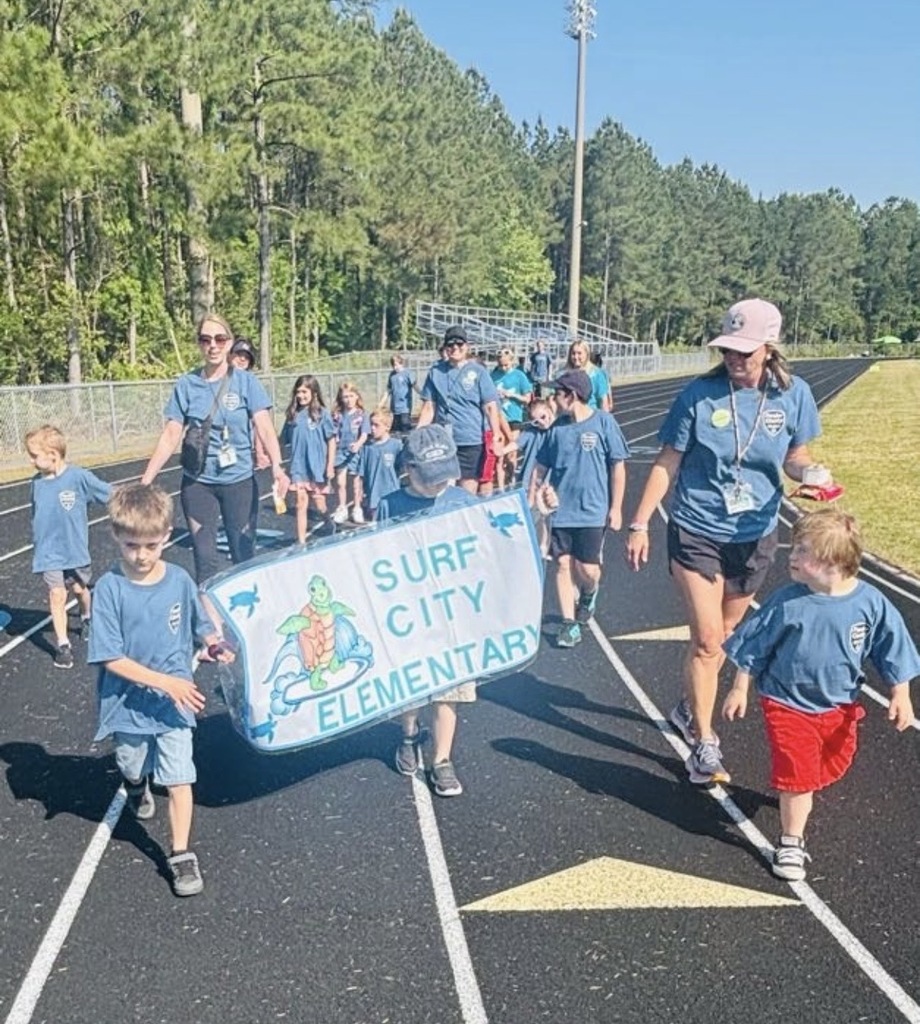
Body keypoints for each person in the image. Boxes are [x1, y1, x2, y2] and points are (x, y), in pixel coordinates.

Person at [625, 297, 824, 786]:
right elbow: (667, 461)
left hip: (755, 533)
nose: (735, 360)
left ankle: (687, 704)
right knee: (708, 639)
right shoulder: (699, 395)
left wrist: (811, 471)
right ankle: (704, 741)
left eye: (745, 352)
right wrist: (640, 521)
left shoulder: (793, 395)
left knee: (726, 640)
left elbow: (795, 456)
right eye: (728, 350)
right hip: (697, 527)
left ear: (769, 348)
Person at [721, 509, 919, 881]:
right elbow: (755, 646)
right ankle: (791, 842)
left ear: (831, 561)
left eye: (802, 551)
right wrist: (739, 687)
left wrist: (900, 694)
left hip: (838, 705)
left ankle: (797, 791)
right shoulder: (788, 601)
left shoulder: (870, 603)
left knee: (833, 763)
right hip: (786, 702)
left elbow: (893, 647)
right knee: (799, 777)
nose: (791, 557)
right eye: (793, 548)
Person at [88, 482, 232, 897]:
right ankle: (136, 783)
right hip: (128, 703)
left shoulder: (180, 580)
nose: (142, 555)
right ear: (116, 535)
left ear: (167, 537)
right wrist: (164, 681)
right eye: (132, 545)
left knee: (180, 777)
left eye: (151, 545)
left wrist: (212, 643)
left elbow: (199, 623)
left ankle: (181, 853)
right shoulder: (110, 589)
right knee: (132, 762)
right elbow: (110, 657)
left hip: (175, 703)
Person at [141, 314, 289, 585]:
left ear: (229, 343)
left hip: (239, 482)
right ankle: (211, 624)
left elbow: (265, 427)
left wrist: (278, 466)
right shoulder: (187, 384)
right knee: (205, 558)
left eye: (220, 339)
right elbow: (172, 432)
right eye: (205, 339)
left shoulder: (245, 382)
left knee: (242, 554)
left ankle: (246, 618)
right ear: (199, 344)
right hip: (199, 482)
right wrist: (146, 479)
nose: (213, 345)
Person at [377, 425, 478, 797]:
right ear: (409, 470)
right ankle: (408, 734)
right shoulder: (390, 504)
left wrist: (539, 511)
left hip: (452, 613)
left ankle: (442, 758)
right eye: (429, 478)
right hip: (408, 612)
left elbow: (499, 540)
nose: (439, 485)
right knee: (411, 683)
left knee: (448, 688)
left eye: (444, 476)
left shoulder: (463, 502)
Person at [532, 370, 629, 648]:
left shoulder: (603, 423)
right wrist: (537, 493)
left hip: (593, 510)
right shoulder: (557, 429)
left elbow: (618, 467)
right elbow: (540, 467)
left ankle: (589, 593)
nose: (552, 399)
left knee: (587, 569)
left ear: (571, 396)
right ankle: (568, 624)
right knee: (562, 564)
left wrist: (616, 508)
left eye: (557, 393)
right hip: (562, 511)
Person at [26, 424, 112, 669]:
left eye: (34, 455)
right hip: (49, 552)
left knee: (79, 588)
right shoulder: (36, 483)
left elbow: (108, 494)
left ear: (52, 454)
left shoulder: (78, 477)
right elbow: (36, 514)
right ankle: (63, 644)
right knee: (56, 594)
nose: (31, 461)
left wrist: (133, 501)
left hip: (74, 550)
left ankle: (86, 616)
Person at [417, 325, 503, 495]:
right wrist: (418, 433)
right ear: (445, 348)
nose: (455, 348)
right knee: (443, 488)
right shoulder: (435, 372)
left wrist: (497, 434)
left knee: (467, 489)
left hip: (470, 440)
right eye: (451, 345)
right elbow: (429, 406)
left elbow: (490, 406)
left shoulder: (478, 372)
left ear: (467, 346)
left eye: (459, 344)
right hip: (444, 441)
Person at [279, 375, 337, 545]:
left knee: (319, 503)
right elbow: (284, 440)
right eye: (298, 392)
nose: (301, 396)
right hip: (299, 466)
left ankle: (327, 520)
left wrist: (330, 465)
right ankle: (301, 540)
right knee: (300, 503)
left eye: (304, 392)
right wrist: (281, 465)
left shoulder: (322, 414)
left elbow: (331, 439)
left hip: (317, 465)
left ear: (313, 392)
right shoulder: (292, 415)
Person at [491, 348, 533, 490]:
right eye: (501, 365)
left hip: (514, 418)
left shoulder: (519, 376)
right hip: (498, 418)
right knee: (499, 454)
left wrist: (511, 395)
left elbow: (528, 399)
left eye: (506, 365)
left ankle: (513, 481)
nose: (503, 368)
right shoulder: (493, 375)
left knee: (511, 453)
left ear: (511, 362)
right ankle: (501, 488)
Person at [229, 337, 271, 471]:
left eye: (246, 357)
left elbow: (259, 424)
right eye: (239, 355)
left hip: (241, 452)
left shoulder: (250, 384)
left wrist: (259, 451)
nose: (242, 359)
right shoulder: (214, 379)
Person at [331, 381, 370, 525]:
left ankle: (357, 508)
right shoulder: (337, 415)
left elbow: (365, 433)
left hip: (356, 453)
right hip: (341, 452)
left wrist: (358, 443)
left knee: (356, 483)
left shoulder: (362, 414)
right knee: (341, 483)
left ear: (357, 396)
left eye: (351, 396)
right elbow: (334, 434)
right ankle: (342, 507)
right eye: (345, 397)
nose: (348, 400)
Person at [359, 409, 402, 521]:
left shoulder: (396, 446)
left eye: (376, 425)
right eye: (371, 425)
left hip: (392, 493)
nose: (372, 428)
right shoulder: (367, 448)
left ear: (387, 426)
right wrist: (360, 494)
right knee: (377, 524)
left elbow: (402, 467)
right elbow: (361, 474)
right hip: (374, 495)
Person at [565, 339, 611, 412]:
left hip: (591, 418)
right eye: (573, 353)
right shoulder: (565, 375)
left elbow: (603, 402)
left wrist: (604, 420)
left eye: (579, 353)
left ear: (586, 354)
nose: (576, 357)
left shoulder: (596, 374)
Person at [386, 354, 418, 435]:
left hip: (405, 407)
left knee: (405, 425)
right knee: (395, 429)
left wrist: (422, 394)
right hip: (395, 407)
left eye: (396, 365)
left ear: (401, 364)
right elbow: (388, 390)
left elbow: (414, 385)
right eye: (393, 365)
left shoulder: (407, 373)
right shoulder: (392, 375)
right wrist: (381, 402)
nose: (395, 367)